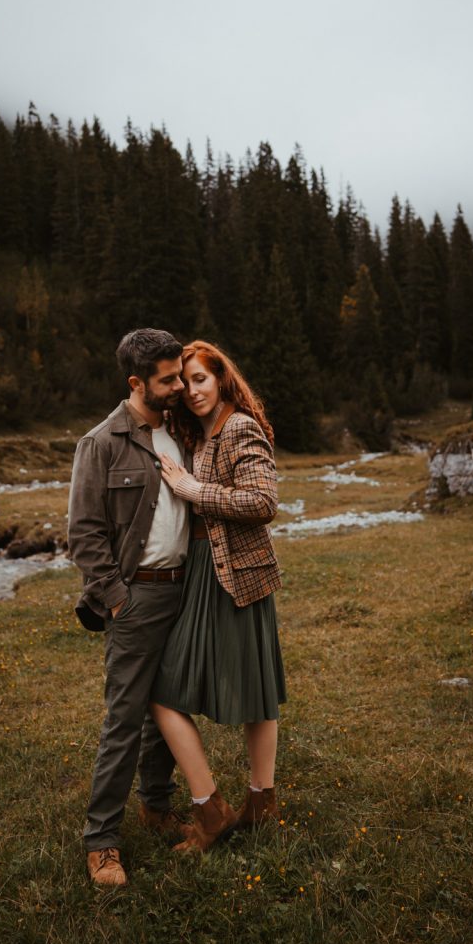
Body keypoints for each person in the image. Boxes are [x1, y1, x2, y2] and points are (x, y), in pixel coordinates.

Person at [150, 340, 286, 851]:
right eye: (184, 384)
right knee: (170, 692)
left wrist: (193, 491)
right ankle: (225, 807)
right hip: (204, 571)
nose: (192, 391)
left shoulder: (239, 427)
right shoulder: (200, 434)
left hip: (236, 575)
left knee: (253, 688)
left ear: (221, 378)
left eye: (200, 379)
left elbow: (262, 501)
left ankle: (252, 804)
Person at [68, 328, 191, 887]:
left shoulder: (184, 430)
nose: (180, 386)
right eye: (168, 380)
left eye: (180, 374)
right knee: (124, 718)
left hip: (184, 591)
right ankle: (102, 841)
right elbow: (84, 535)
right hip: (136, 597)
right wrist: (116, 599)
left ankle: (157, 805)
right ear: (136, 382)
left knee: (169, 709)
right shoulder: (102, 442)